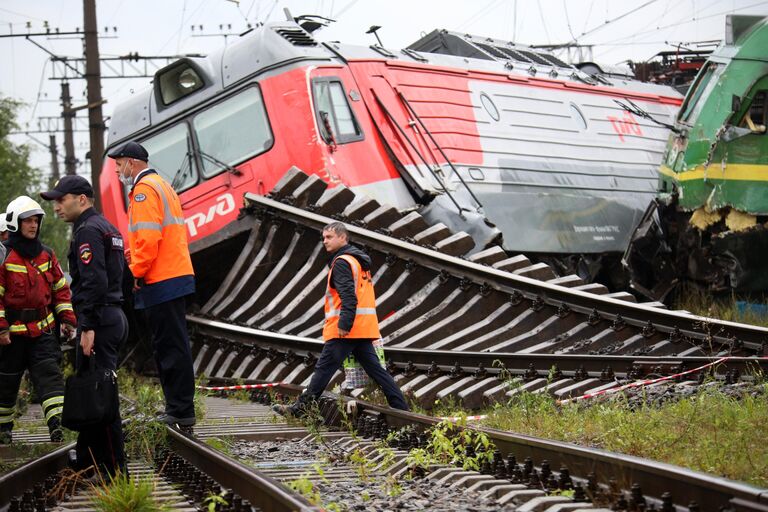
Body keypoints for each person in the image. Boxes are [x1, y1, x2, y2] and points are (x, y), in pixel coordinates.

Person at [273, 222, 409, 417]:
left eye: (329, 237)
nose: (324, 241)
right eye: (323, 237)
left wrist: (344, 325)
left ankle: (299, 409)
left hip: (346, 329)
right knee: (377, 371)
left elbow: (349, 297)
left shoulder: (343, 263)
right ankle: (401, 409)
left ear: (343, 237)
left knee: (324, 368)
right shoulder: (358, 262)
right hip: (362, 328)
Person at [41, 175, 128, 477]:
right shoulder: (108, 227)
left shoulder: (88, 231)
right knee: (94, 394)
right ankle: (90, 460)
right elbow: (119, 277)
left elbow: (94, 281)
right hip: (112, 315)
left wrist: (87, 326)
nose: (56, 208)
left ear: (81, 199)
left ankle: (115, 469)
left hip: (99, 320)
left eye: (61, 200)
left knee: (100, 396)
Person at [108, 140, 197, 426]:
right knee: (174, 342)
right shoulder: (162, 185)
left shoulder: (144, 191)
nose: (119, 170)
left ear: (132, 163)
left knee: (169, 345)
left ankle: (180, 411)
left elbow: (148, 238)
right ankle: (180, 408)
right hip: (173, 273)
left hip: (162, 277)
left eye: (120, 164)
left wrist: (136, 271)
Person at [0, 196, 76, 443]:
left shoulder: (46, 255)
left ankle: (58, 428)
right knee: (6, 385)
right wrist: (1, 330)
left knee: (50, 378)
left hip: (43, 332)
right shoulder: (4, 257)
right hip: (11, 336)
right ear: (14, 223)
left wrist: (67, 319)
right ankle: (3, 432)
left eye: (36, 221)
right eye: (27, 221)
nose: (33, 225)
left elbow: (61, 290)